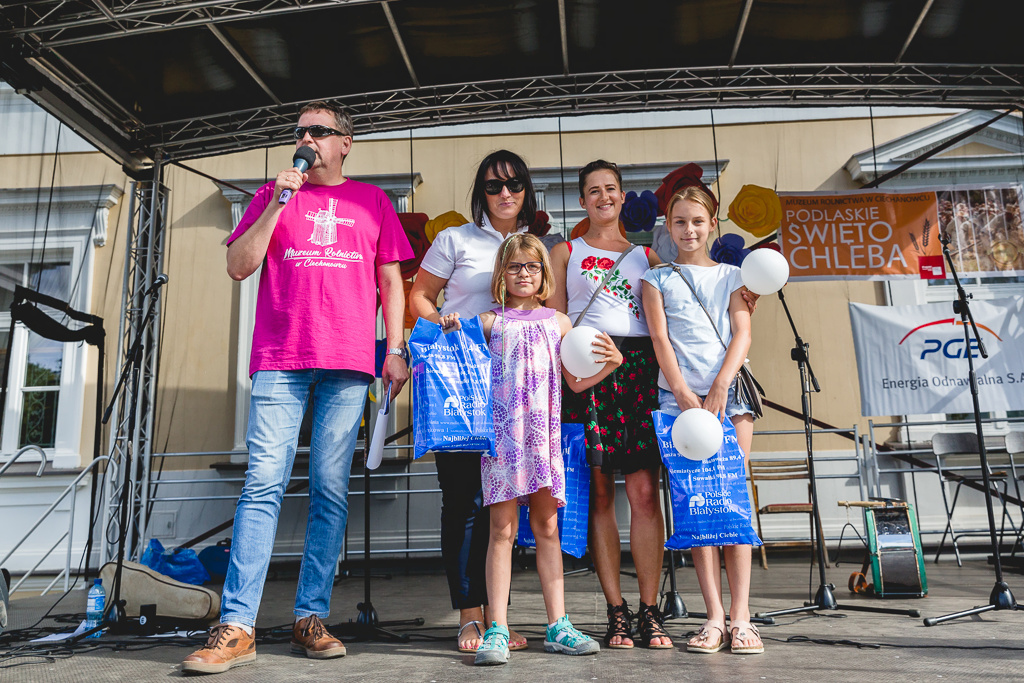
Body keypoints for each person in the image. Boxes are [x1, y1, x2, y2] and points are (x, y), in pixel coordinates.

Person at [182, 101, 413, 674]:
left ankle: (310, 616)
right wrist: (278, 202)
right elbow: (239, 265)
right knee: (263, 482)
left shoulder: (373, 201)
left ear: (344, 143)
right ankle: (238, 625)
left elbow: (390, 280)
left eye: (319, 131)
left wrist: (396, 349)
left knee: (330, 490)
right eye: (300, 131)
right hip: (281, 358)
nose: (306, 138)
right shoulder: (273, 194)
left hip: (348, 361)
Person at [441, 233, 612, 666]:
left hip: (543, 442)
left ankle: (559, 624)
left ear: (543, 273)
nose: (523, 273)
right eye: (515, 266)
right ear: (502, 273)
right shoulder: (486, 322)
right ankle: (497, 627)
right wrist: (449, 327)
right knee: (501, 530)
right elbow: (454, 362)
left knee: (548, 528)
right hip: (502, 443)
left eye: (532, 266)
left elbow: (575, 383)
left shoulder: (559, 323)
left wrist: (613, 363)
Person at [408, 150, 536, 653]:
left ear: (526, 191)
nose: (505, 193)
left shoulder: (534, 245)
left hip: (517, 385)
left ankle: (497, 619)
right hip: (462, 383)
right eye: (493, 185)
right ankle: (468, 616)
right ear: (480, 192)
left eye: (515, 184)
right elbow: (419, 296)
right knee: (464, 501)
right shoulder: (455, 239)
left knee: (503, 507)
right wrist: (442, 322)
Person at [547, 160, 673, 649]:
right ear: (582, 201)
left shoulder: (647, 255)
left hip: (639, 368)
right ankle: (616, 611)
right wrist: (568, 378)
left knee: (643, 494)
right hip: (588, 371)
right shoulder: (565, 251)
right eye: (594, 191)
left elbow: (671, 319)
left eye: (611, 189)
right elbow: (554, 321)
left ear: (622, 197)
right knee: (599, 495)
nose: (604, 197)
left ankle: (649, 610)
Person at [642, 184, 762, 655]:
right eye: (679, 222)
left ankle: (742, 616)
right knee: (698, 506)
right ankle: (713, 616)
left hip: (730, 399)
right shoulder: (657, 278)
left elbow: (742, 333)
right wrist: (682, 392)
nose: (688, 230)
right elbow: (660, 340)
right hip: (680, 403)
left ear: (712, 223)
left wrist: (720, 386)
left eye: (697, 221)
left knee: (732, 502)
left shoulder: (734, 276)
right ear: (668, 227)